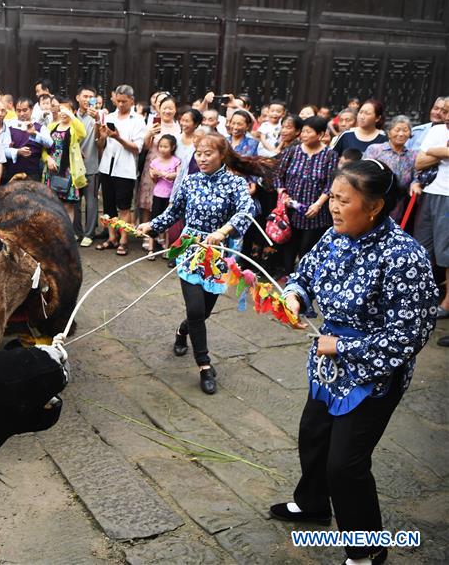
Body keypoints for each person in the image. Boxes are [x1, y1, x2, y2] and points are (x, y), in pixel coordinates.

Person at [270, 160, 438, 565]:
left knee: (345, 465)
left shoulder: (404, 257)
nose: (334, 207)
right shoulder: (335, 236)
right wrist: (294, 296)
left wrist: (344, 348)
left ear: (375, 206)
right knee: (313, 436)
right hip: (328, 365)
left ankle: (367, 549)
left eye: (344, 200)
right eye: (334, 198)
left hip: (374, 375)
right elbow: (305, 274)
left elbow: (409, 333)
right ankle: (311, 504)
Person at [137, 134, 274, 394]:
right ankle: (204, 365)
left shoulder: (235, 183)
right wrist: (151, 226)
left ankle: (182, 330)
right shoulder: (189, 181)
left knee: (203, 313)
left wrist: (223, 232)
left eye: (208, 153)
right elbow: (172, 212)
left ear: (222, 155)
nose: (202, 158)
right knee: (197, 309)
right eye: (198, 153)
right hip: (191, 250)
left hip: (219, 255)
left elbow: (247, 211)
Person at [277, 116, 340, 273]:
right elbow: (278, 176)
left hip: (315, 212)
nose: (303, 135)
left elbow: (331, 183)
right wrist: (282, 194)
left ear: (319, 135)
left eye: (308, 132)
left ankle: (304, 279)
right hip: (290, 210)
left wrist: (318, 204)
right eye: (303, 131)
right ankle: (287, 275)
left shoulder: (330, 155)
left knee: (308, 248)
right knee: (288, 246)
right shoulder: (292, 151)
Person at [96, 84, 147, 256]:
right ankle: (112, 238)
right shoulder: (110, 116)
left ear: (131, 100)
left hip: (125, 168)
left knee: (124, 207)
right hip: (106, 166)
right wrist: (102, 137)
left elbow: (136, 148)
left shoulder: (138, 120)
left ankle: (124, 240)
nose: (120, 105)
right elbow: (101, 145)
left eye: (124, 101)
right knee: (108, 206)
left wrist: (117, 137)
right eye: (117, 101)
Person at [414, 96, 449, 319]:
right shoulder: (437, 130)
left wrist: (434, 152)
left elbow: (429, 154)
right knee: (422, 247)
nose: (445, 116)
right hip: (430, 191)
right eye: (444, 111)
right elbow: (418, 161)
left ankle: (446, 303)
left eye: (448, 111)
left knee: (446, 253)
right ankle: (417, 296)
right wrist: (442, 151)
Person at [363, 116, 415, 221]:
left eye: (405, 130)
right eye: (397, 130)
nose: (401, 134)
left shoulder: (413, 155)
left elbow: (417, 175)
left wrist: (415, 182)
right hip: (373, 198)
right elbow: (363, 172)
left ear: (410, 134)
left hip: (398, 203)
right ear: (389, 132)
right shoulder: (375, 149)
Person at [42, 101, 86, 223]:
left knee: (68, 206)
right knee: (52, 205)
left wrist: (70, 115)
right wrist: (48, 159)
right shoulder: (51, 127)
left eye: (66, 110)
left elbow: (83, 133)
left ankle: (68, 235)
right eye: (61, 110)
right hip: (51, 170)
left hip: (68, 170)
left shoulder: (74, 128)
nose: (63, 113)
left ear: (73, 112)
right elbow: (43, 148)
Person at [140, 134, 179, 256]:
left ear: (172, 147)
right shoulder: (155, 162)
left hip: (170, 195)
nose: (162, 149)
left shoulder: (175, 161)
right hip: (158, 194)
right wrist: (156, 175)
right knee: (154, 220)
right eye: (161, 146)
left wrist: (162, 173)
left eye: (165, 146)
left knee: (169, 221)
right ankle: (151, 248)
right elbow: (154, 179)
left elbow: (177, 176)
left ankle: (166, 248)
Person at [74, 86, 101, 246]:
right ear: (78, 97)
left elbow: (100, 141)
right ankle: (77, 232)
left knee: (91, 201)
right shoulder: (71, 116)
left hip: (91, 164)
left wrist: (97, 120)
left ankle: (89, 233)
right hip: (74, 167)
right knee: (75, 200)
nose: (87, 99)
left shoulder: (98, 117)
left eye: (91, 97)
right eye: (85, 96)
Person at [3, 98, 53, 183]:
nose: (21, 114)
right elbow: (3, 150)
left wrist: (34, 133)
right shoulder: (9, 127)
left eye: (25, 110)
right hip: (13, 173)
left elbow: (50, 143)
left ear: (31, 109)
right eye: (18, 111)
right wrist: (18, 151)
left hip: (33, 173)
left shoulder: (40, 127)